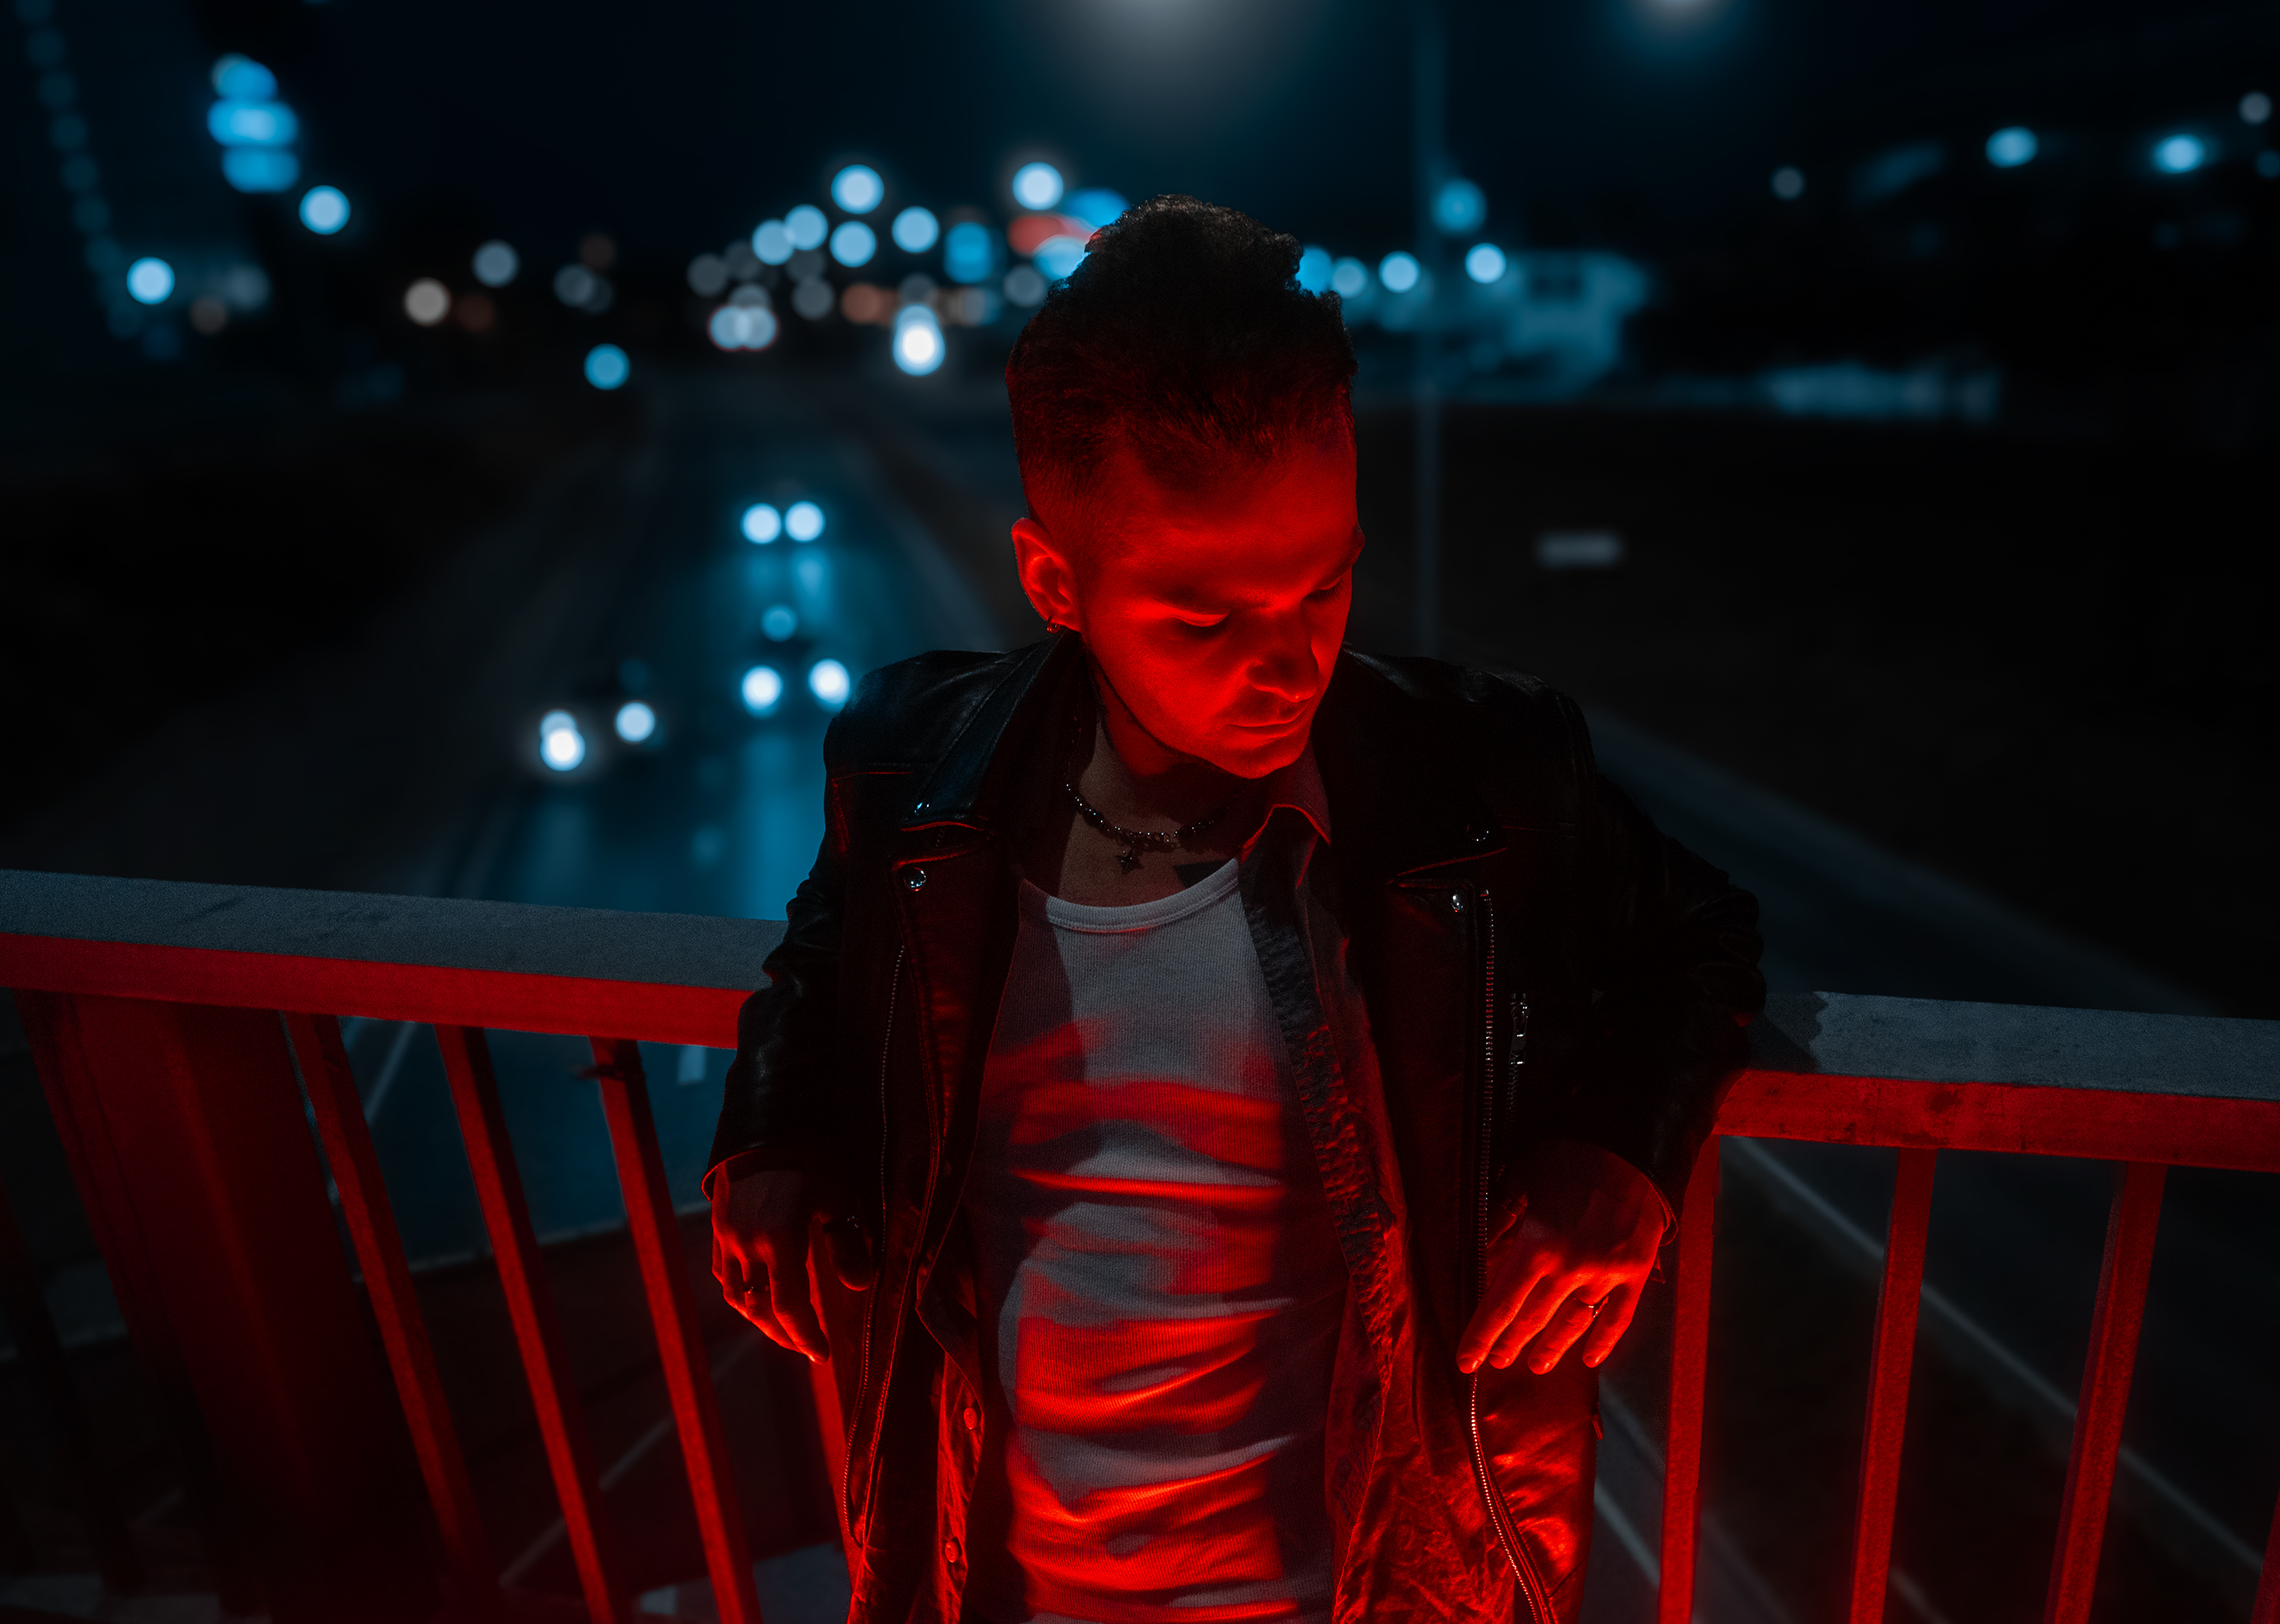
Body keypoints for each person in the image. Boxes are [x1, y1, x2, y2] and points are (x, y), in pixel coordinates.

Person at [705, 195, 1763, 1624]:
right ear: (1053, 581)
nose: (1292, 666)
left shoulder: (1481, 773)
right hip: (994, 1581)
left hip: (1372, 1590)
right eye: (1207, 617)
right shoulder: (911, 762)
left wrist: (1623, 1150)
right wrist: (771, 1129)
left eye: (1327, 584)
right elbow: (827, 941)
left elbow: (1703, 935)